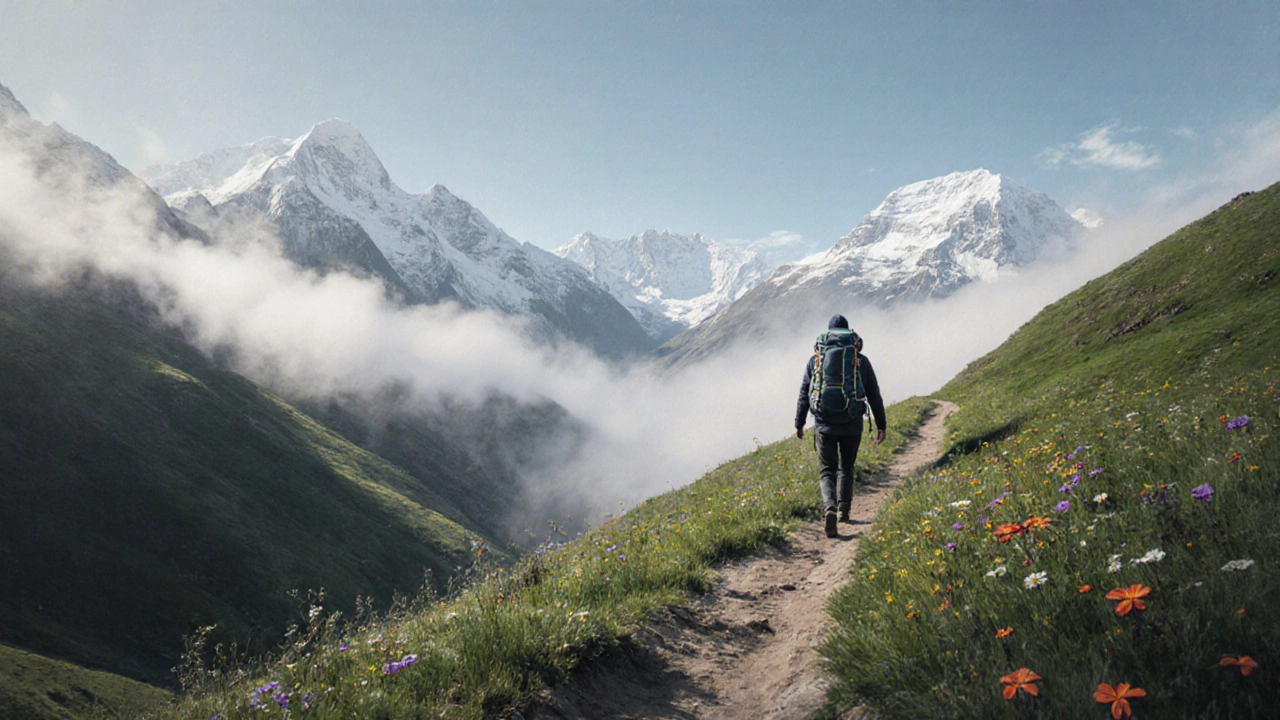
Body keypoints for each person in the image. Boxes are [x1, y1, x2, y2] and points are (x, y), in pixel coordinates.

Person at [795, 314, 886, 538]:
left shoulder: (816, 360)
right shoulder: (860, 360)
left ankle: (829, 508)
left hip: (824, 423)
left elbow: (805, 393)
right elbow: (874, 394)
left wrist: (799, 422)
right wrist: (881, 425)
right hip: (852, 421)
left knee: (827, 469)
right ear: (850, 335)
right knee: (847, 467)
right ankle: (844, 510)